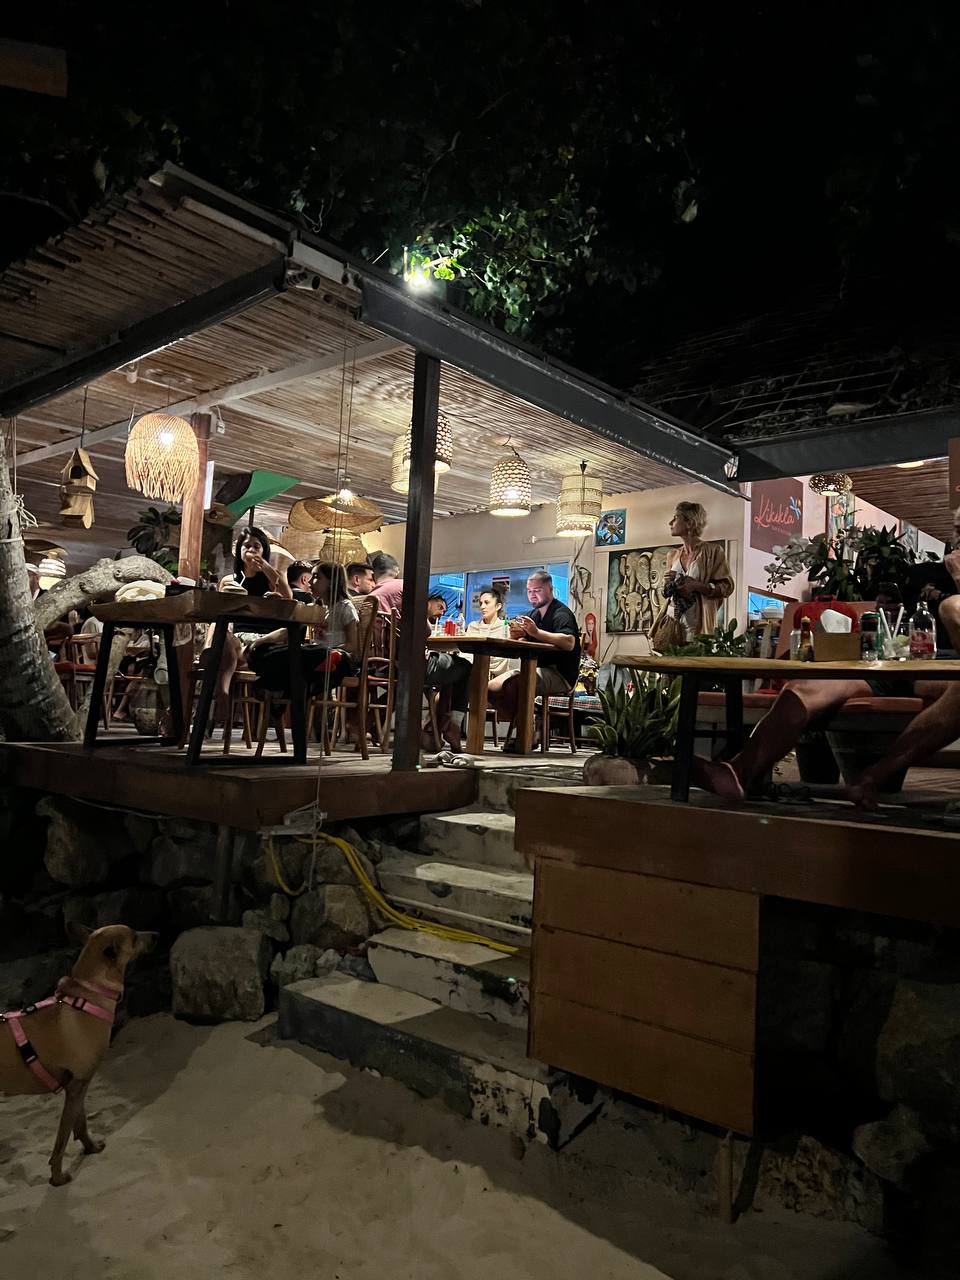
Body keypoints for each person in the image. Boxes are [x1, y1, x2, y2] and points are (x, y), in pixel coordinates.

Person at [488, 571, 581, 750]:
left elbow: (569, 642)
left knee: (514, 684)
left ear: (550, 589)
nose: (532, 595)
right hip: (533, 669)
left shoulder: (561, 613)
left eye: (537, 590)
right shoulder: (533, 615)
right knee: (492, 688)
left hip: (560, 674)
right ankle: (528, 724)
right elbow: (526, 640)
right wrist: (517, 636)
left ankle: (527, 733)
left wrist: (536, 632)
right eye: (529, 591)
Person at [650, 502, 735, 646]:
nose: (670, 523)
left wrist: (696, 585)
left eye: (676, 518)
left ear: (689, 523)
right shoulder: (672, 555)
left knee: (695, 655)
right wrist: (668, 582)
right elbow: (666, 592)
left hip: (698, 626)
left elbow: (727, 587)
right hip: (672, 627)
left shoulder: (713, 551)